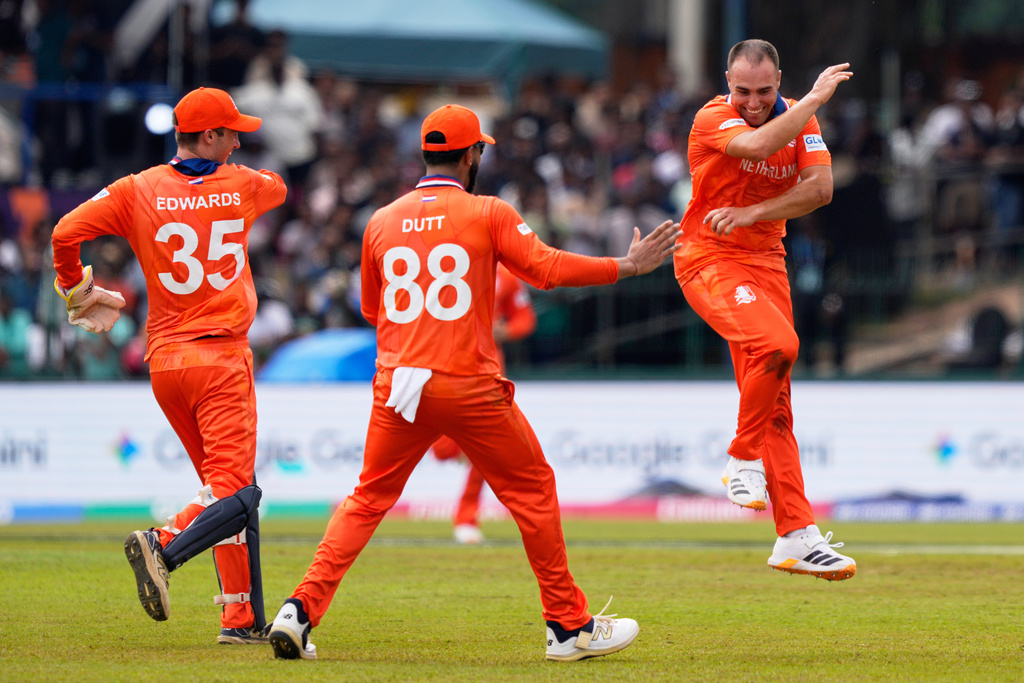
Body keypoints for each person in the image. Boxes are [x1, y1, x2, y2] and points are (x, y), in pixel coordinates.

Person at [267, 103, 681, 662]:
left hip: (398, 385)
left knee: (366, 500)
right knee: (532, 492)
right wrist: (626, 266)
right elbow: (549, 269)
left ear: (426, 154)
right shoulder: (488, 211)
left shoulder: (382, 219)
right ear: (472, 155)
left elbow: (372, 309)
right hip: (466, 382)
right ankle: (567, 626)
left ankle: (299, 610)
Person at [50, 87, 287, 643]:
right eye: (230, 132)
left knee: (224, 491)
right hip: (222, 356)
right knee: (236, 493)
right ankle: (163, 542)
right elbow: (277, 188)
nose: (237, 139)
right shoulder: (244, 184)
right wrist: (228, 184)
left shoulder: (137, 189)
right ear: (208, 136)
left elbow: (63, 233)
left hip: (165, 362)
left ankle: (241, 618)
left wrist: (76, 289)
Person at [673, 40, 857, 580]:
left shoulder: (802, 118)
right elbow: (756, 146)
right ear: (727, 82)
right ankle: (741, 458)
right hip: (709, 258)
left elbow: (820, 189)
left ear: (779, 82)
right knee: (779, 346)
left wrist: (754, 211)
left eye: (764, 91)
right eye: (742, 90)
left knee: (778, 403)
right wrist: (811, 102)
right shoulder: (713, 116)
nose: (752, 101)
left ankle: (796, 536)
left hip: (766, 262)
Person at [430, 262, 538, 544]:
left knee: (485, 447)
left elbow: (524, 317)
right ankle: (462, 447)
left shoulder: (506, 277)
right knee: (442, 450)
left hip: (488, 368)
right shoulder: (447, 264)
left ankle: (466, 517)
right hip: (442, 364)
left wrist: (508, 331)